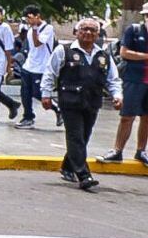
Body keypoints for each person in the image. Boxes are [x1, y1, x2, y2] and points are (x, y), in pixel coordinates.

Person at [40, 17, 123, 191]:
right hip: (70, 101)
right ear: (77, 32)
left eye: (92, 30)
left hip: (92, 101)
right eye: (84, 29)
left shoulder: (103, 55)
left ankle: (68, 167)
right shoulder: (64, 50)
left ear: (97, 34)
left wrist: (117, 95)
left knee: (84, 137)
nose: (88, 33)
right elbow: (50, 72)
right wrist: (46, 94)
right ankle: (84, 175)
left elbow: (112, 79)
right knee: (75, 136)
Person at [99, 4, 148, 167]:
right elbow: (124, 52)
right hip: (134, 79)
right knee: (127, 117)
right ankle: (117, 150)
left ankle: (141, 150)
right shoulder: (134, 31)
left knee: (146, 118)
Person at [15, 4, 57, 129]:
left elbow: (38, 43)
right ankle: (28, 116)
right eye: (27, 19)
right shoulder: (29, 30)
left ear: (38, 16)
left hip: (42, 67)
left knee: (37, 92)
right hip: (29, 66)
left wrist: (34, 28)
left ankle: (56, 107)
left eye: (30, 17)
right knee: (25, 92)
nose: (28, 21)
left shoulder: (48, 28)